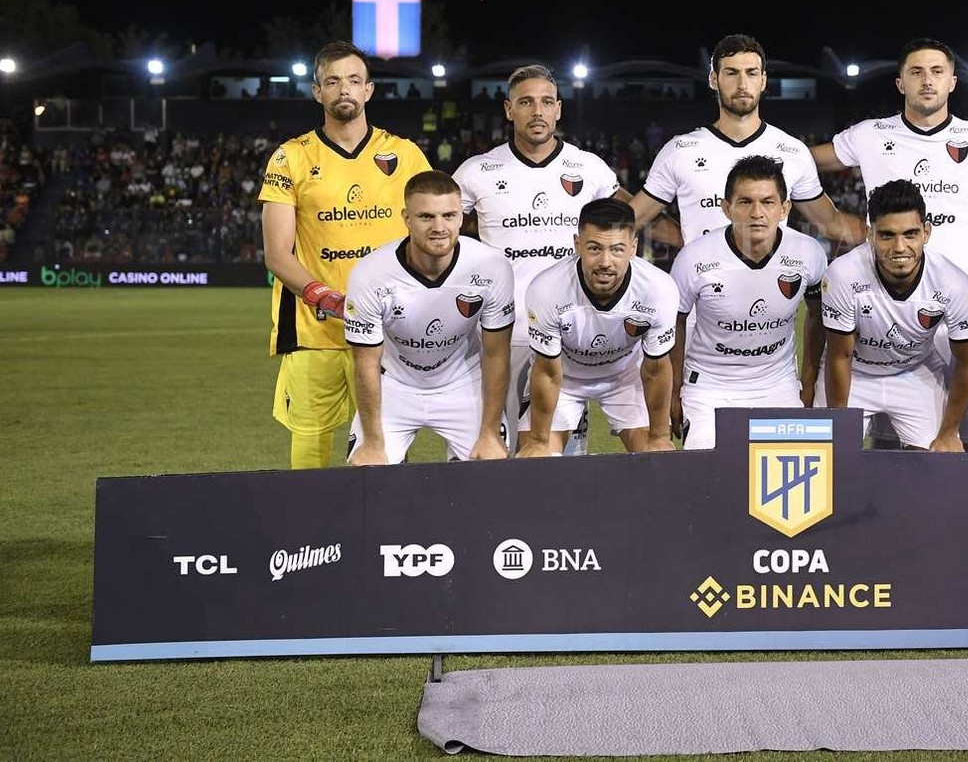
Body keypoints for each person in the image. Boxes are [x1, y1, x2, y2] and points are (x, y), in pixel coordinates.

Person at [809, 37, 968, 448]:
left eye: (937, 72)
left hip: (954, 308)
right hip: (881, 303)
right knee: (869, 439)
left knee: (951, 444)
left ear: (953, 82)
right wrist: (833, 221)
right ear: (900, 83)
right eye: (917, 72)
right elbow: (802, 161)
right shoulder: (870, 135)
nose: (927, 81)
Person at [452, 64, 673, 457]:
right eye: (525, 102)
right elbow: (442, 231)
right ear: (508, 110)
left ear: (558, 109)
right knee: (497, 451)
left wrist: (693, 239)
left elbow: (630, 217)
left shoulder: (587, 167)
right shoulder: (477, 171)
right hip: (505, 334)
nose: (537, 111)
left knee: (563, 460)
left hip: (572, 332)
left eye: (546, 102)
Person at [258, 39, 432, 469]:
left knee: (384, 448)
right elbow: (277, 253)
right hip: (313, 331)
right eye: (332, 81)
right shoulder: (291, 157)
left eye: (354, 80)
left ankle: (383, 517)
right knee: (310, 448)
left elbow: (434, 231)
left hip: (389, 329)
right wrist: (325, 298)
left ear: (368, 90)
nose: (344, 89)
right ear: (317, 92)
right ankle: (308, 517)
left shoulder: (405, 154)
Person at [628, 33, 865, 248]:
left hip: (771, 281)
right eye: (731, 73)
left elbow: (833, 224)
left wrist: (884, 234)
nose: (742, 84)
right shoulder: (679, 151)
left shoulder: (793, 151)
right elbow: (632, 219)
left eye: (751, 73)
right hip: (701, 282)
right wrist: (684, 239)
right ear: (713, 79)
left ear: (763, 80)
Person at [344, 171, 516, 465]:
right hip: (394, 385)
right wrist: (372, 442)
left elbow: (497, 354)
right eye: (426, 217)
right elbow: (366, 364)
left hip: (463, 382)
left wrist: (489, 433)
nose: (439, 227)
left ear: (461, 218)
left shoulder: (492, 267)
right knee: (368, 471)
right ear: (407, 219)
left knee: (491, 470)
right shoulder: (369, 275)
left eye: (449, 216)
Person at [668, 155, 828, 449]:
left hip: (778, 385)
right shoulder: (694, 258)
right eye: (745, 202)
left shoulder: (809, 253)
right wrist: (673, 390)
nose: (757, 213)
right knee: (708, 468)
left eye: (767, 202)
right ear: (726, 207)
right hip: (709, 386)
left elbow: (818, 316)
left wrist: (807, 380)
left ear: (784, 208)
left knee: (795, 466)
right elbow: (674, 323)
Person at [818, 179, 968, 451]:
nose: (899, 248)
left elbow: (967, 362)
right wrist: (840, 427)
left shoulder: (953, 283)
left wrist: (948, 432)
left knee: (939, 457)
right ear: (870, 235)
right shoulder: (843, 275)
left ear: (926, 233)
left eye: (910, 234)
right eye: (887, 235)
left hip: (914, 370)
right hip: (854, 373)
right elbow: (840, 356)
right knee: (829, 456)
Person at [518, 198, 680, 457]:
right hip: (565, 379)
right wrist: (537, 442)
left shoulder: (659, 289)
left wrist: (660, 438)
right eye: (594, 248)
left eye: (617, 249)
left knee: (659, 458)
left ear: (633, 247)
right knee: (536, 461)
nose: (605, 261)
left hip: (626, 377)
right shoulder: (547, 289)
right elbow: (547, 373)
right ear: (577, 244)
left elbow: (656, 369)